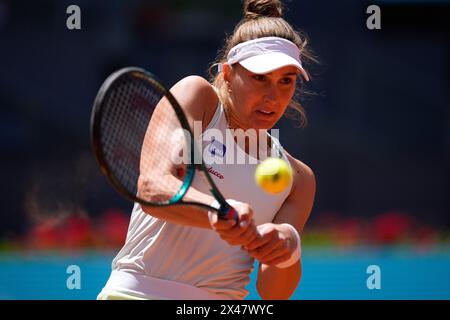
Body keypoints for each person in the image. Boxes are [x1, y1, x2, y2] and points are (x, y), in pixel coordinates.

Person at [97, 0, 316, 300]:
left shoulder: (299, 179)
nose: (272, 96)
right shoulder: (197, 97)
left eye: (286, 81)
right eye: (259, 78)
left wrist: (287, 248)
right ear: (227, 74)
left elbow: (272, 293)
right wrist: (218, 211)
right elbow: (152, 189)